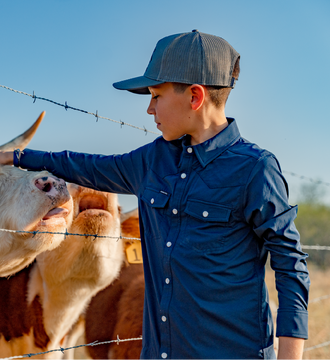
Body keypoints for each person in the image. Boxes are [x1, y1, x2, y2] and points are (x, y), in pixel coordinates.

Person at [0, 30, 310, 360]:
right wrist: (15, 158)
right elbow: (85, 165)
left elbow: (291, 265)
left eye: (156, 96)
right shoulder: (152, 161)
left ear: (194, 97)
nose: (149, 109)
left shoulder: (255, 169)